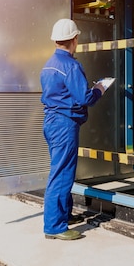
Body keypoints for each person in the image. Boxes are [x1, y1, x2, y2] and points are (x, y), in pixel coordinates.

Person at [40, 18, 107, 240]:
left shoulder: (49, 64)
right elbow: (84, 97)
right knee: (61, 174)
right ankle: (55, 227)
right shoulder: (70, 65)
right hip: (64, 125)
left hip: (52, 122)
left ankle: (64, 215)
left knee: (62, 170)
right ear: (74, 39)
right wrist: (98, 89)